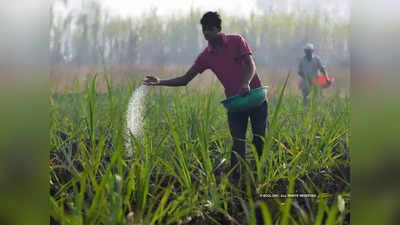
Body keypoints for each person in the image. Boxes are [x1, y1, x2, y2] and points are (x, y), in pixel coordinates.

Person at [143, 11, 268, 183]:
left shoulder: (236, 41)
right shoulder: (206, 56)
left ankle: (258, 176)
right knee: (238, 142)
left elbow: (250, 65)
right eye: (204, 30)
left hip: (255, 97)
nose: (206, 33)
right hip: (236, 103)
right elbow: (185, 79)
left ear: (218, 29)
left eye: (209, 29)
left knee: (259, 139)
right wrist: (160, 82)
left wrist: (246, 83)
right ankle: (237, 182)